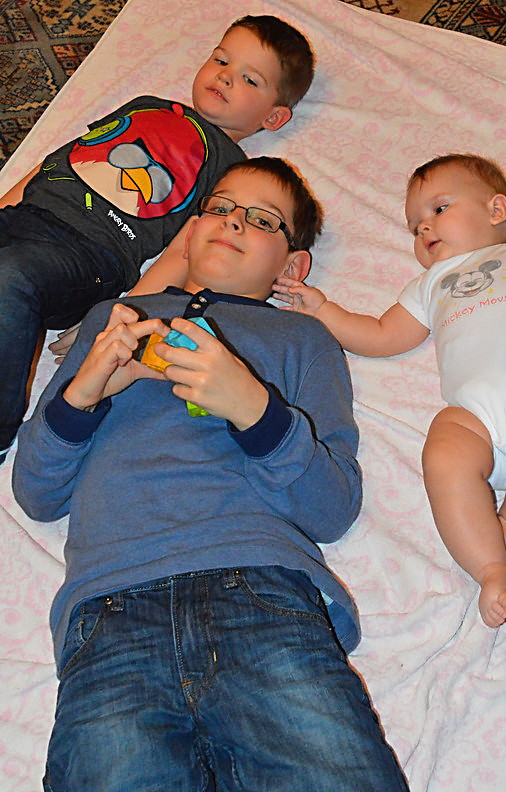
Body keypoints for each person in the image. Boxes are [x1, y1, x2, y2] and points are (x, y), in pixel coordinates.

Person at [12, 156, 410, 792]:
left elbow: (333, 509)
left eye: (262, 219)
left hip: (260, 591)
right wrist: (83, 395)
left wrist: (255, 410)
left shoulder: (303, 339)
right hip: (109, 608)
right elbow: (35, 493)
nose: (233, 222)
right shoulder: (116, 320)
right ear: (191, 230)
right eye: (220, 208)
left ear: (292, 267)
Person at [274, 153, 506, 628]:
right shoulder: (428, 285)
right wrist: (323, 310)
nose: (424, 228)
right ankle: (489, 568)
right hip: (470, 412)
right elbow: (382, 335)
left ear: (496, 210)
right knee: (442, 456)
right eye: (415, 227)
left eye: (439, 209)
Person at [0, 14, 314, 457]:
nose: (225, 76)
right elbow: (64, 158)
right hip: (26, 216)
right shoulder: (146, 104)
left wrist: (122, 313)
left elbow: (187, 246)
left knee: (10, 277)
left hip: (88, 253)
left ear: (274, 116)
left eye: (250, 79)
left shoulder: (232, 170)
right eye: (221, 59)